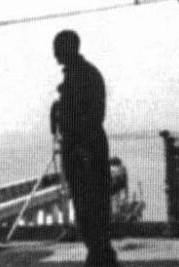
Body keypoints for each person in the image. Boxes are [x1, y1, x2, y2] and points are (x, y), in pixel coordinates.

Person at [50, 30, 119, 267]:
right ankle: (99, 256)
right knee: (86, 206)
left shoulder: (83, 75)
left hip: (85, 150)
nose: (55, 53)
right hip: (82, 149)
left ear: (69, 48)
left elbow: (93, 116)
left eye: (58, 48)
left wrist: (81, 147)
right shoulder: (80, 75)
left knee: (91, 207)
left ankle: (101, 258)